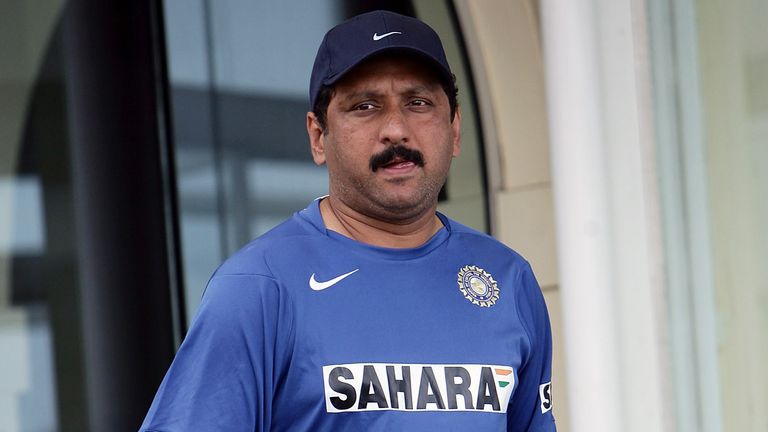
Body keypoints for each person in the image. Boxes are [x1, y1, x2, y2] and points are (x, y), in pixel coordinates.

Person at [141, 10, 556, 432]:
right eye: (365, 106)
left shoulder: (508, 280)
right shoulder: (259, 287)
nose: (396, 129)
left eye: (418, 103)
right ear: (318, 137)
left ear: (454, 129)